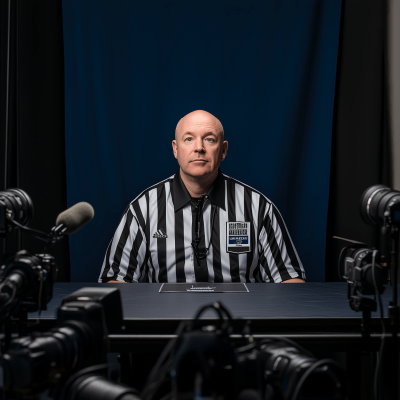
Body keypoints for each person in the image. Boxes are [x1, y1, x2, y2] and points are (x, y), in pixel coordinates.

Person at [99, 110, 305, 283]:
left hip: (238, 325)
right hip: (166, 327)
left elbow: (289, 280)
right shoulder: (143, 209)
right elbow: (117, 281)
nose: (199, 147)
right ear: (176, 149)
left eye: (209, 139)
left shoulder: (258, 207)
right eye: (189, 139)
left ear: (223, 150)